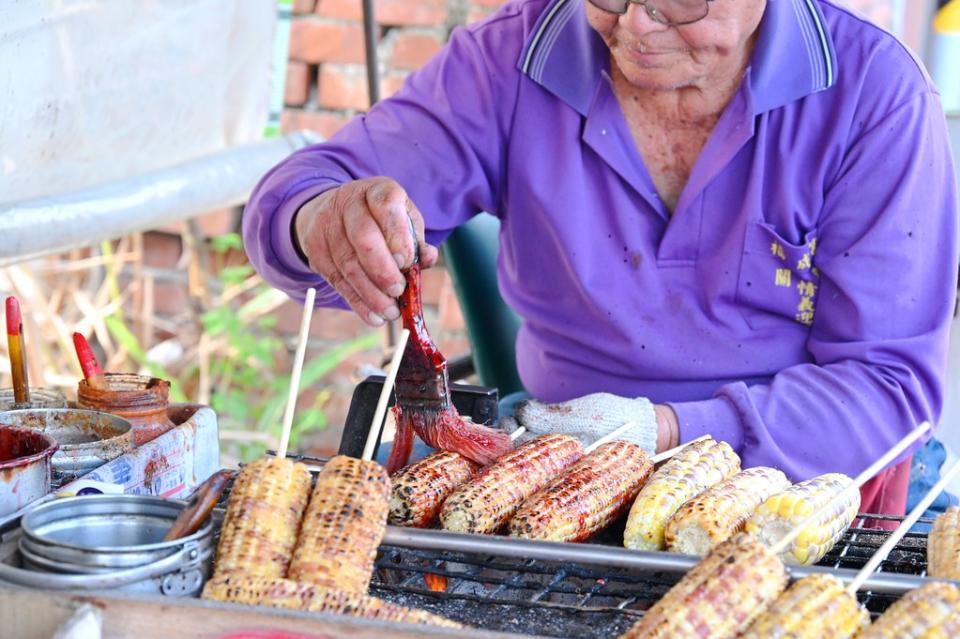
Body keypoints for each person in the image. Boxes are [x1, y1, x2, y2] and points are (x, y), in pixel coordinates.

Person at [244, 0, 959, 515]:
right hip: (563, 450)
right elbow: (299, 196)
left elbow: (887, 389)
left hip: (802, 479)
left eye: (682, 2)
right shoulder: (514, 56)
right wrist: (322, 222)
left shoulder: (873, 97)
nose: (636, 25)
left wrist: (666, 433)